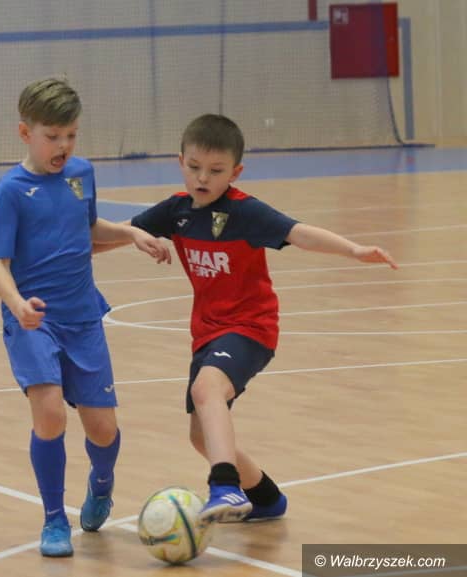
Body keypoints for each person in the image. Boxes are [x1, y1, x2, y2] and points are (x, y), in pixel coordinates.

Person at [105, 113, 397, 524]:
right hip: (207, 333)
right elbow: (113, 234)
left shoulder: (244, 212)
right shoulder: (176, 211)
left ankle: (224, 486)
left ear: (235, 172)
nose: (202, 178)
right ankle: (266, 499)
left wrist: (353, 250)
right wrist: (72, 250)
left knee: (207, 389)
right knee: (200, 436)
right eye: (194, 167)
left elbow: (298, 232)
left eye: (216, 170)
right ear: (181, 162)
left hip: (251, 327)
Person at [0, 78, 171, 557]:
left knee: (102, 429)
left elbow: (87, 229)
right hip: (34, 320)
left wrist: (131, 233)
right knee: (49, 415)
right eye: (52, 136)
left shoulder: (81, 174)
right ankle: (53, 519)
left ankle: (101, 485)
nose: (63, 146)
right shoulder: (11, 190)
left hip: (83, 316)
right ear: (26, 133)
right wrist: (18, 305)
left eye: (71, 135)